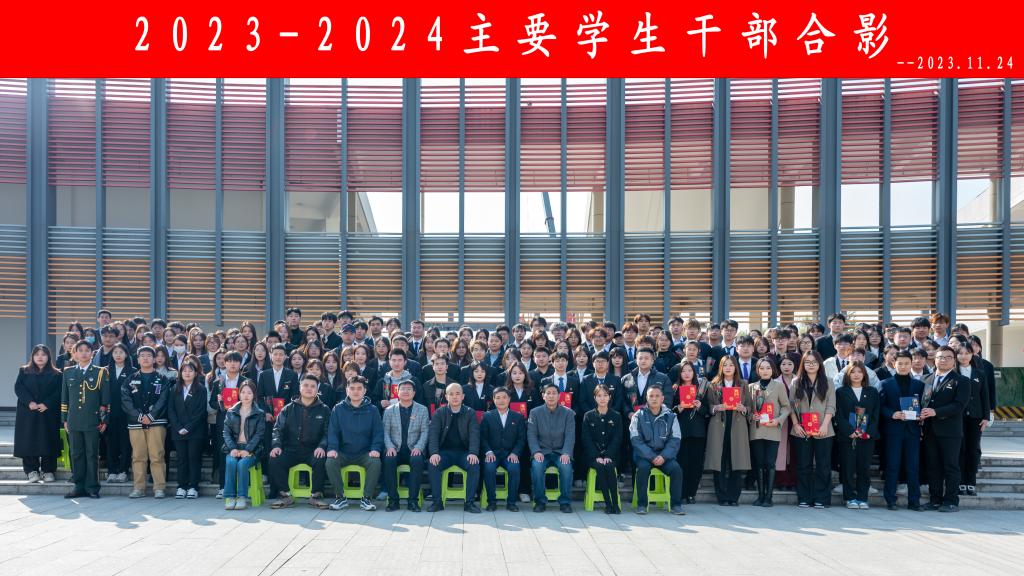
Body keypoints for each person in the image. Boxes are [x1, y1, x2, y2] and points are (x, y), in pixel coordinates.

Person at [268, 375, 331, 509]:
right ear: (300, 387)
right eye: (306, 385)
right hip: (291, 449)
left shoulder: (324, 409)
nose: (309, 389)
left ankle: (316, 496)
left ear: (317, 390)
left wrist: (321, 446)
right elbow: (277, 430)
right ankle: (285, 495)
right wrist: (276, 445)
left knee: (320, 458)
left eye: (313, 386)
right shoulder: (288, 408)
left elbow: (328, 433)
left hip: (313, 450)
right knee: (275, 458)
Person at [920, 346, 970, 512]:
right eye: (940, 357)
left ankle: (951, 501)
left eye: (948, 357)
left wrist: (936, 412)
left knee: (951, 466)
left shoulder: (961, 381)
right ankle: (934, 500)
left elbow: (959, 405)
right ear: (934, 359)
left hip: (950, 432)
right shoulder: (926, 379)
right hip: (929, 430)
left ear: (954, 361)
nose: (943, 360)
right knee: (933, 466)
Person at [324, 375, 384, 511]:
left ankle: (366, 498)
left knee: (375, 462)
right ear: (347, 390)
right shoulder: (338, 409)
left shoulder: (373, 410)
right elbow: (333, 432)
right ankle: (340, 497)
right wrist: (333, 448)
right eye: (352, 388)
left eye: (359, 388)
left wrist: (375, 448)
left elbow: (378, 432)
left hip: (365, 452)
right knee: (330, 461)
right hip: (344, 452)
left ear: (364, 391)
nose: (355, 391)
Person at [62, 340, 111, 498]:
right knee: (76, 453)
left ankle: (92, 487)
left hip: (93, 420)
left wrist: (104, 420)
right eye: (80, 350)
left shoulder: (100, 372)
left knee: (91, 454)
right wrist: (65, 419)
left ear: (92, 353)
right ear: (74, 353)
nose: (83, 353)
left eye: (87, 350)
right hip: (74, 419)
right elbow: (64, 399)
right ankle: (78, 486)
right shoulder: (68, 372)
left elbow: (105, 400)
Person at [122, 346, 171, 499]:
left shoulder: (162, 379)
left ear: (154, 358)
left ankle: (159, 488)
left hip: (157, 422)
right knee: (138, 456)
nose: (145, 358)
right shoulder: (130, 379)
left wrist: (151, 415)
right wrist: (138, 416)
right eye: (142, 355)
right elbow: (125, 400)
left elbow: (163, 400)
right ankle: (139, 488)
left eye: (149, 355)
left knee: (157, 455)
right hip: (135, 423)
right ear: (137, 359)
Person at [789, 351, 837, 509]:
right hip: (801, 429)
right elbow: (791, 406)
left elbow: (831, 406)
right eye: (807, 362)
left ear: (819, 364)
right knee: (803, 464)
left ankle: (821, 498)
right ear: (803, 364)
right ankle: (804, 497)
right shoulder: (796, 382)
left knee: (823, 465)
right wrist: (796, 424)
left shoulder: (828, 382)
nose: (811, 365)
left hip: (823, 429)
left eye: (814, 362)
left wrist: (825, 425)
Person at [879, 351, 925, 510]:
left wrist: (921, 415)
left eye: (906, 363)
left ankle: (914, 501)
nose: (903, 366)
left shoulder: (919, 385)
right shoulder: (885, 384)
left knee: (913, 466)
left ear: (911, 364)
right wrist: (892, 414)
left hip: (912, 431)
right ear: (894, 364)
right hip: (893, 431)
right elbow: (880, 407)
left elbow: (923, 405)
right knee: (892, 465)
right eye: (900, 363)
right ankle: (890, 500)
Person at [630, 385, 685, 515]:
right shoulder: (638, 416)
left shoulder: (671, 416)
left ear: (662, 398)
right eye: (651, 396)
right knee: (643, 469)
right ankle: (642, 504)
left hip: (665, 456)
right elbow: (635, 439)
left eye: (657, 396)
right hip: (645, 456)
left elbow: (675, 439)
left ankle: (676, 505)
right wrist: (651, 456)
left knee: (676, 469)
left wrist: (664, 456)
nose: (654, 399)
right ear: (646, 398)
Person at [427, 383, 482, 513]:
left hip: (464, 453)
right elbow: (433, 435)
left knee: (474, 464)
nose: (455, 397)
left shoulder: (470, 412)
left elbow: (474, 435)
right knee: (433, 464)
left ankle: (469, 503)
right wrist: (434, 453)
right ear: (446, 397)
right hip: (445, 453)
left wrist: (473, 452)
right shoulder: (439, 413)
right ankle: (437, 502)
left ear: (463, 396)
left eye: (458, 394)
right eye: (451, 394)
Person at [704, 355, 751, 506]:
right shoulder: (714, 384)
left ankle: (733, 496)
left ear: (735, 367)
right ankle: (722, 496)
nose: (728, 368)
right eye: (725, 365)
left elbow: (750, 406)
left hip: (737, 425)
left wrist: (744, 408)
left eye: (731, 365)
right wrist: (716, 407)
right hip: (719, 425)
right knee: (720, 461)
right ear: (721, 367)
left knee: (736, 461)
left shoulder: (743, 384)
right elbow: (708, 406)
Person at [834, 361, 880, 509]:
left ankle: (862, 497)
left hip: (866, 437)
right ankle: (849, 498)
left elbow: (875, 414)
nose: (856, 375)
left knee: (864, 468)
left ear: (864, 374)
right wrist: (849, 431)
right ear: (848, 374)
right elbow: (838, 414)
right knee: (847, 467)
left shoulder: (872, 391)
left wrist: (868, 432)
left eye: (860, 372)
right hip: (848, 436)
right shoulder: (841, 392)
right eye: (853, 372)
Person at [14, 345, 62, 483]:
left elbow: (59, 391)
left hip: (48, 412)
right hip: (28, 411)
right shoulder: (24, 371)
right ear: (33, 357)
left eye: (43, 354)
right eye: (37, 354)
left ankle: (48, 470)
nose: (40, 357)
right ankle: (31, 471)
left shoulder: (57, 374)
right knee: (29, 439)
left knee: (48, 439)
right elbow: (18, 388)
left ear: (48, 357)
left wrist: (47, 403)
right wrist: (29, 402)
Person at [747, 357, 791, 507]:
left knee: (770, 463)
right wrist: (751, 415)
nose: (765, 371)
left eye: (768, 368)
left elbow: (786, 407)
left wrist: (778, 420)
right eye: (762, 368)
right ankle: (760, 496)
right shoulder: (751, 387)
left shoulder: (779, 386)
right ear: (757, 370)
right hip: (757, 429)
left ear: (773, 369)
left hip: (772, 429)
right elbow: (748, 409)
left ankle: (769, 497)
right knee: (759, 463)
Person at [527, 382, 575, 513]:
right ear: (543, 396)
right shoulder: (535, 412)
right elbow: (531, 435)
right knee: (537, 466)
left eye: (554, 393)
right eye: (548, 393)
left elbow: (570, 435)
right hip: (542, 451)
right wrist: (536, 451)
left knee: (566, 467)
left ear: (559, 396)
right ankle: (540, 501)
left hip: (561, 452)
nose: (551, 396)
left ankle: (565, 502)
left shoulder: (568, 413)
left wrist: (566, 453)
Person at [381, 380, 428, 512]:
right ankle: (393, 500)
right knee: (388, 460)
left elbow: (425, 431)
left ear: (414, 393)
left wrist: (419, 447)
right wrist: (390, 447)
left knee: (417, 460)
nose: (406, 391)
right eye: (403, 389)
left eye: (409, 389)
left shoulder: (422, 409)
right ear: (397, 392)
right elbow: (385, 432)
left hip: (414, 449)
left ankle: (413, 501)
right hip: (395, 449)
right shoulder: (389, 411)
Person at [167, 356, 208, 499]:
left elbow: (201, 412)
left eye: (190, 371)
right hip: (178, 430)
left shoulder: (201, 389)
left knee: (193, 458)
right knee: (181, 459)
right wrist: (178, 427)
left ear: (196, 373)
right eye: (184, 371)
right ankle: (181, 486)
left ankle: (193, 486)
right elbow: (171, 410)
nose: (187, 373)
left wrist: (188, 427)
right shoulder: (175, 388)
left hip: (195, 430)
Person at [222, 380, 266, 510]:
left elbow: (259, 435)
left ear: (254, 395)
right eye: (243, 392)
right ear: (239, 393)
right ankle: (230, 497)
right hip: (234, 448)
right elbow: (226, 432)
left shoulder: (259, 413)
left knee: (242, 464)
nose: (246, 395)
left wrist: (248, 450)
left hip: (252, 450)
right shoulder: (231, 411)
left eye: (249, 393)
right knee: (231, 462)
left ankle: (242, 497)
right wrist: (232, 448)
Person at [481, 386, 526, 512]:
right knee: (489, 468)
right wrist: (488, 452)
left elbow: (521, 439)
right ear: (493, 400)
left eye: (504, 397)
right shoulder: (487, 416)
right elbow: (482, 438)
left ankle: (511, 502)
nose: (501, 400)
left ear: (509, 399)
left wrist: (515, 453)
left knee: (514, 468)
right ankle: (491, 502)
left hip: (509, 454)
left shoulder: (517, 417)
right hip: (493, 454)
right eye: (498, 398)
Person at [954, 343, 990, 497]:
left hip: (976, 417)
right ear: (956, 356)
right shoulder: (953, 373)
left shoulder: (979, 373)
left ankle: (971, 482)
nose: (964, 356)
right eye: (960, 353)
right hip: (957, 417)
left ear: (972, 355)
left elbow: (985, 396)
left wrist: (986, 417)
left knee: (973, 450)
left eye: (967, 353)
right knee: (960, 449)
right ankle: (960, 482)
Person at [672, 360, 709, 504]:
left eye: (689, 370)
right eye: (683, 371)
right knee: (682, 463)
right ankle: (681, 493)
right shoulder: (675, 388)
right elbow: (669, 410)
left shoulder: (701, 389)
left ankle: (691, 493)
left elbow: (708, 411)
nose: (686, 373)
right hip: (680, 432)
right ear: (679, 373)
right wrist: (679, 408)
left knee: (696, 464)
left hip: (698, 432)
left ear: (694, 372)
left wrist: (700, 406)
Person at [582, 384, 622, 513]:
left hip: (612, 455)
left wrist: (608, 455)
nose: (602, 398)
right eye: (599, 396)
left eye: (605, 395)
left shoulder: (616, 416)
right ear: (594, 398)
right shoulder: (588, 416)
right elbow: (586, 439)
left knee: (609, 466)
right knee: (600, 467)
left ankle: (615, 504)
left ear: (610, 397)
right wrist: (597, 456)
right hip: (593, 456)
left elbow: (617, 439)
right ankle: (608, 504)